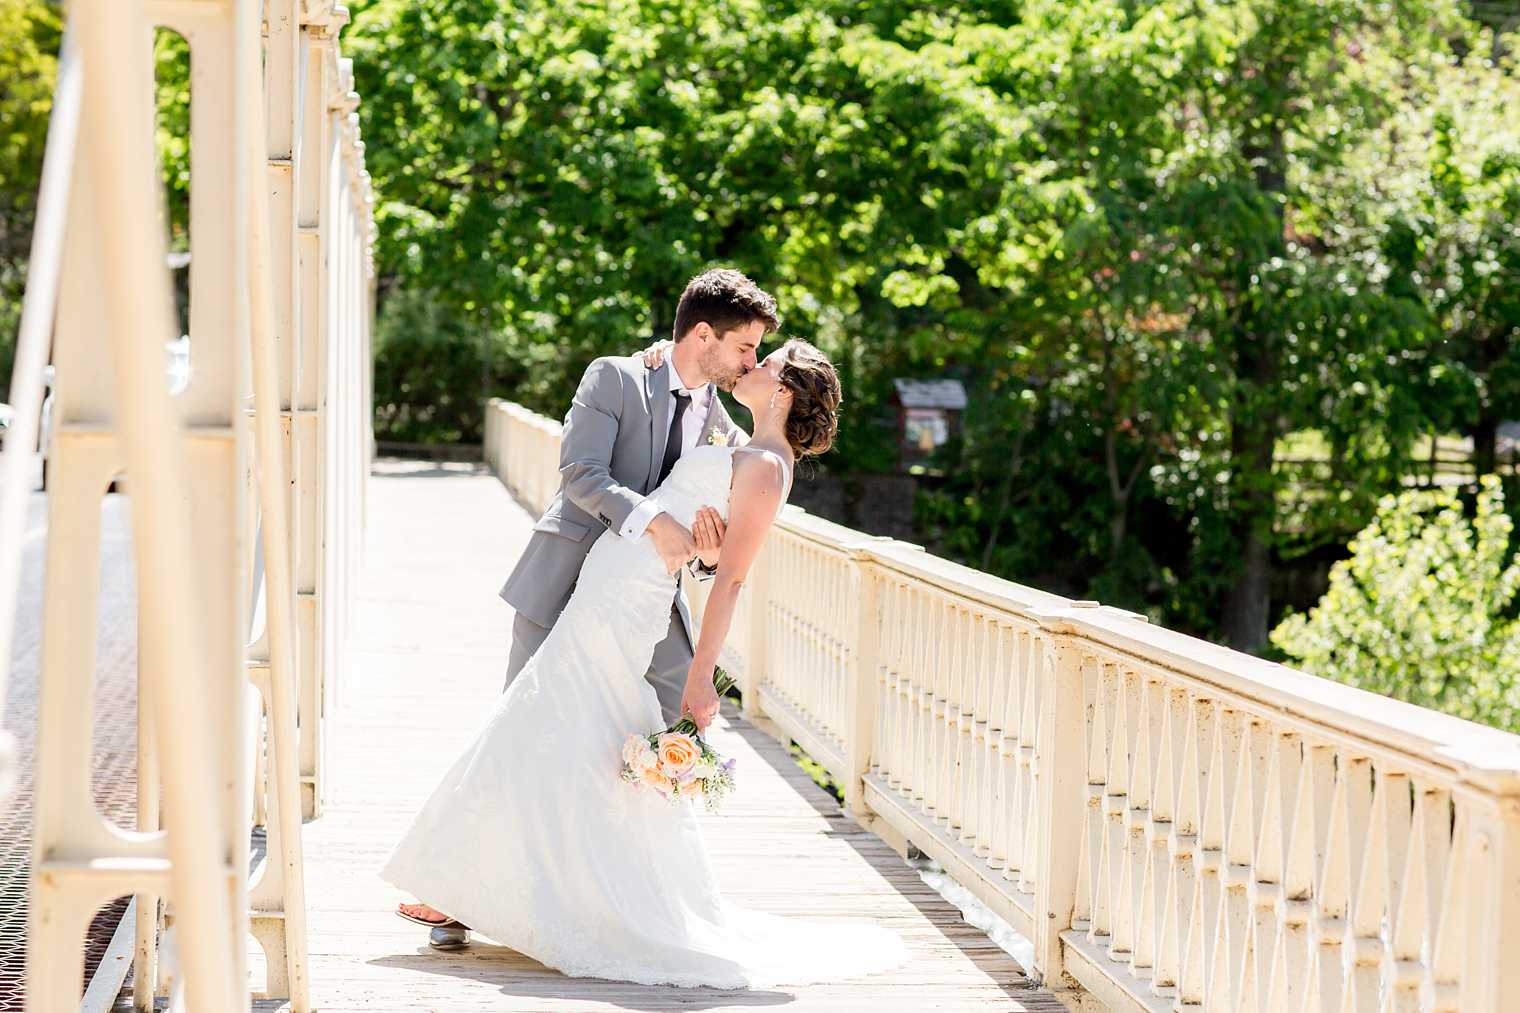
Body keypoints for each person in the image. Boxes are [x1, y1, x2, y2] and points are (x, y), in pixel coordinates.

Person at [380, 338, 910, 988]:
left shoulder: (768, 465)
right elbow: (704, 536)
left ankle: (480, 892)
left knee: (543, 717)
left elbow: (732, 579)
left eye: (766, 362)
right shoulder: (742, 442)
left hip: (629, 602)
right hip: (611, 584)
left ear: (786, 392)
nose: (753, 363)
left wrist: (700, 676)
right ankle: (484, 888)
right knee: (560, 723)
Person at [396, 267, 774, 950]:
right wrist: (655, 520)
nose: (749, 362)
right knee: (522, 733)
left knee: (661, 738)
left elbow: (714, 539)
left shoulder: (722, 425)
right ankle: (457, 897)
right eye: (744, 347)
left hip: (643, 606)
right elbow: (582, 475)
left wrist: (710, 555)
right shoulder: (616, 377)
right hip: (567, 578)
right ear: (701, 334)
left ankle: (618, 895)